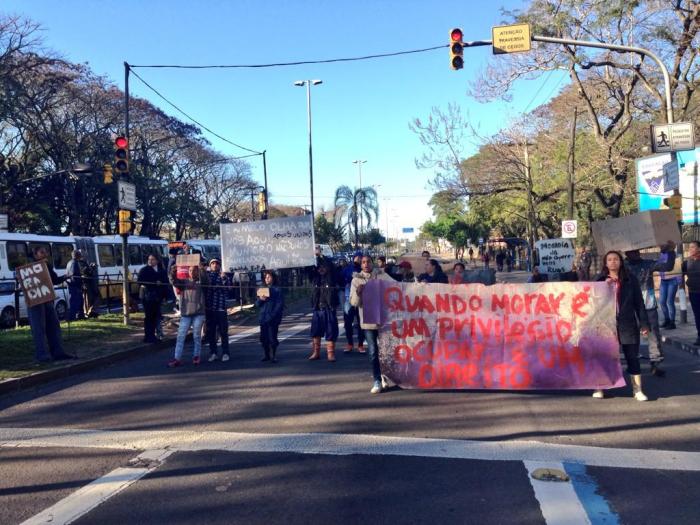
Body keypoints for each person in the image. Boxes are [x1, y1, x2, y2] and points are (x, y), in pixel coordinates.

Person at [594, 250, 650, 401]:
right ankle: (600, 387)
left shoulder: (630, 280)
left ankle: (637, 390)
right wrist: (603, 288)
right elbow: (591, 302)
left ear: (621, 262)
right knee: (603, 356)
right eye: (610, 259)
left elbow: (639, 303)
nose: (613, 262)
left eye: (616, 259)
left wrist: (644, 324)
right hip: (605, 325)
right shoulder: (599, 280)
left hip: (627, 324)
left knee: (632, 356)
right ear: (605, 263)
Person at [624, 242, 676, 377]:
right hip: (630, 307)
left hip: (648, 305)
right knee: (632, 335)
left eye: (636, 251)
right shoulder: (622, 266)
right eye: (631, 251)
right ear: (626, 254)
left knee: (653, 333)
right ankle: (632, 363)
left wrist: (670, 251)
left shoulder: (648, 264)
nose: (634, 253)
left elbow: (668, 266)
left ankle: (655, 362)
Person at [350, 255, 394, 394]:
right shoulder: (356, 280)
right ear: (360, 265)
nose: (366, 264)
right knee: (373, 351)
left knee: (386, 351)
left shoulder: (382, 276)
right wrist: (358, 293)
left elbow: (396, 287)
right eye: (363, 262)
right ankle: (376, 379)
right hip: (368, 322)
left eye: (368, 261)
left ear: (372, 263)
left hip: (384, 320)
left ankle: (384, 376)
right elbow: (354, 303)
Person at [23, 246, 74, 362]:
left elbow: (54, 280)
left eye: (45, 252)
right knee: (39, 328)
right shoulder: (28, 265)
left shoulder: (46, 265)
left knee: (54, 325)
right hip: (35, 302)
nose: (45, 254)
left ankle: (58, 352)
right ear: (35, 254)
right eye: (42, 252)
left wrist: (65, 277)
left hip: (47, 300)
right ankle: (42, 355)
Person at [168, 263, 209, 367]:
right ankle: (177, 358)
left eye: (194, 270)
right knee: (180, 336)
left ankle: (196, 356)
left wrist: (202, 269)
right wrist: (173, 270)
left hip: (198, 313)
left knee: (196, 335)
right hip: (186, 314)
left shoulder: (201, 283)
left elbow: (206, 281)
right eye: (190, 270)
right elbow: (173, 281)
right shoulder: (184, 282)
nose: (192, 272)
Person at [309, 261, 339, 361]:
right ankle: (316, 352)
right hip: (317, 308)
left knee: (331, 331)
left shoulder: (332, 277)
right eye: (319, 267)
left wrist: (322, 257)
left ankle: (330, 354)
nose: (321, 269)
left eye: (323, 267)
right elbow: (307, 269)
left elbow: (334, 270)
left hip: (329, 308)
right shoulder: (314, 278)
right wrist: (314, 258)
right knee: (315, 331)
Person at [205, 258, 234, 362]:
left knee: (223, 332)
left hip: (221, 307)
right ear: (210, 265)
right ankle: (213, 353)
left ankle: (225, 352)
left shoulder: (224, 275)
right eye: (213, 263)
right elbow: (209, 287)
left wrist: (224, 279)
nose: (215, 265)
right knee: (211, 332)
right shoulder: (207, 275)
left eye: (217, 263)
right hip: (210, 308)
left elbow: (229, 288)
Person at [137, 254, 168, 344]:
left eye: (153, 259)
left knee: (156, 316)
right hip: (148, 296)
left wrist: (165, 296)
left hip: (158, 297)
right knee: (149, 317)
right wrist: (154, 283)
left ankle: (154, 335)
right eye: (149, 259)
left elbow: (165, 283)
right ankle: (148, 336)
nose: (150, 261)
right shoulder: (144, 270)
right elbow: (140, 281)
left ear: (157, 261)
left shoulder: (161, 270)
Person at [257, 270, 284, 362]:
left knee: (272, 337)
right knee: (263, 338)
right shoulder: (262, 289)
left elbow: (279, 304)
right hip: (263, 317)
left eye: (269, 277)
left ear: (273, 278)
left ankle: (273, 355)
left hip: (272, 318)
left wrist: (273, 315)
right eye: (266, 277)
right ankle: (266, 354)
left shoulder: (277, 289)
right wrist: (261, 299)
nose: (267, 279)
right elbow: (257, 304)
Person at [341, 253, 364, 353]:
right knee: (347, 322)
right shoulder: (348, 268)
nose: (358, 259)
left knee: (361, 323)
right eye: (356, 257)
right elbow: (341, 279)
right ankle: (350, 343)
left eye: (360, 258)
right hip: (349, 298)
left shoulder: (365, 269)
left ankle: (360, 344)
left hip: (362, 299)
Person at [682, 241, 700, 346]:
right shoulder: (686, 262)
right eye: (689, 247)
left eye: (693, 247)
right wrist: (681, 287)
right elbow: (681, 275)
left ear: (699, 248)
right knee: (697, 315)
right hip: (693, 292)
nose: (690, 249)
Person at [658, 250, 681, 329]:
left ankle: (672, 322)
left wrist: (678, 280)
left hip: (673, 279)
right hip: (663, 280)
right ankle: (667, 319)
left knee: (669, 301)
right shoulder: (661, 253)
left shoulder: (674, 253)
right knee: (661, 301)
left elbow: (678, 267)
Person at [65, 250, 85, 321]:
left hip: (71, 284)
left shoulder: (69, 262)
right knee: (75, 302)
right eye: (80, 255)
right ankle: (71, 318)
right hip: (75, 285)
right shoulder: (74, 263)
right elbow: (74, 275)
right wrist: (80, 285)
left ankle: (80, 315)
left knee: (79, 301)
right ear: (78, 256)